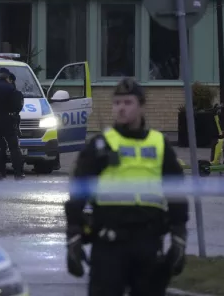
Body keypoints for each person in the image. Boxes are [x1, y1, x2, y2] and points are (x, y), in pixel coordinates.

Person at [64, 77, 189, 296]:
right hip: (108, 244)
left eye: (128, 103)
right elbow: (78, 192)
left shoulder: (159, 144)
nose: (121, 109)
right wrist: (73, 236)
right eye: (117, 103)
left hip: (148, 243)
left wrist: (179, 238)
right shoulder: (101, 145)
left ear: (141, 106)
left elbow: (177, 193)